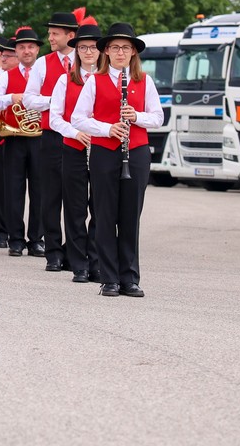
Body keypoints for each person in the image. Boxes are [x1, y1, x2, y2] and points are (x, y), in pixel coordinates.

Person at [71, 22, 164, 298]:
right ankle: (109, 278)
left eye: (125, 47)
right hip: (104, 153)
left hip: (135, 153)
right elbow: (78, 118)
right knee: (105, 214)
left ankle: (130, 279)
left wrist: (137, 117)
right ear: (106, 52)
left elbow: (158, 117)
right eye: (115, 48)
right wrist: (107, 128)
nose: (120, 52)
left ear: (134, 52)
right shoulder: (94, 81)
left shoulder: (144, 81)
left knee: (130, 217)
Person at [23, 10, 81, 272]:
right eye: (49, 33)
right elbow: (28, 99)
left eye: (55, 33)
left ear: (71, 35)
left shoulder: (87, 60)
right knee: (50, 196)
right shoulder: (44, 63)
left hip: (81, 138)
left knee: (77, 198)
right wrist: (56, 101)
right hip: (52, 137)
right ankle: (53, 252)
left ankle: (75, 251)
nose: (50, 38)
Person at [49, 18, 101, 283]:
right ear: (77, 51)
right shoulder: (64, 79)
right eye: (83, 48)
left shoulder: (108, 79)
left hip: (103, 150)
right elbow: (54, 118)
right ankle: (78, 263)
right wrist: (75, 132)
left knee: (100, 208)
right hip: (74, 147)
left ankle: (96, 262)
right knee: (75, 208)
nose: (88, 52)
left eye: (93, 47)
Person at [0, 27, 44, 257]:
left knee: (40, 190)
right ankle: (16, 239)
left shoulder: (46, 73)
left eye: (30, 47)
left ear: (37, 49)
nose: (26, 51)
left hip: (40, 139)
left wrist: (37, 102)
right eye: (21, 47)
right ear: (15, 52)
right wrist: (12, 98)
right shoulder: (6, 76)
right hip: (14, 139)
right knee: (14, 190)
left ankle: (36, 239)